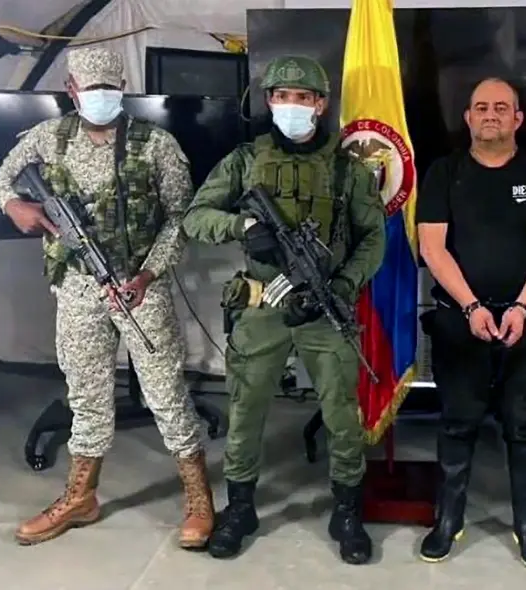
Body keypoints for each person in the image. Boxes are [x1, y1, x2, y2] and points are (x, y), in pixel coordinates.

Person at [0, 47, 213, 549]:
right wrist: (13, 206)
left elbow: (181, 218)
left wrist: (149, 274)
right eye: (92, 90)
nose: (101, 98)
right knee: (86, 395)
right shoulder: (49, 137)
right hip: (77, 287)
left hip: (140, 287)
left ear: (123, 90)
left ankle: (199, 499)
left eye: (110, 90)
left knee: (166, 393)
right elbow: (2, 178)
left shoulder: (157, 144)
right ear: (72, 90)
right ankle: (80, 498)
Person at [182, 55, 386, 564]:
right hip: (262, 305)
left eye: (303, 97)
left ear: (321, 104)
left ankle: (347, 509)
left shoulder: (347, 169)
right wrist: (243, 227)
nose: (292, 105)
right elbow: (196, 217)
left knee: (342, 413)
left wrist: (343, 284)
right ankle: (241, 508)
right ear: (269, 101)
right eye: (282, 96)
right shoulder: (244, 161)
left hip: (325, 305)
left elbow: (373, 238)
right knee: (246, 410)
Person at [415, 77, 526, 571]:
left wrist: (520, 307)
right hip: (460, 320)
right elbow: (432, 247)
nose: (490, 115)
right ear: (467, 117)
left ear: (518, 119)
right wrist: (471, 308)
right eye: (481, 107)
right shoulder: (444, 172)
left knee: (524, 426)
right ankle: (448, 521)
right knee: (457, 422)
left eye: (501, 108)